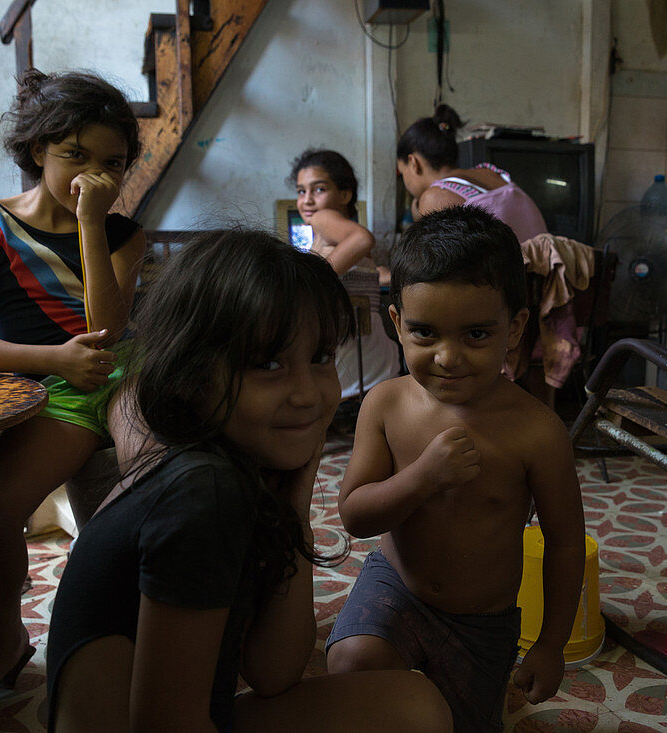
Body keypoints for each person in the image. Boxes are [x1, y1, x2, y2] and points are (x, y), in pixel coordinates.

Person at [46, 230, 453, 733]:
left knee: (417, 703)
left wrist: (295, 508)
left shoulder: (232, 468)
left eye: (321, 357)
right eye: (269, 364)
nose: (307, 393)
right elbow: (167, 723)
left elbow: (273, 672)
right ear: (194, 375)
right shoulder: (202, 490)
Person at [0, 68, 146, 728]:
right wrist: (51, 358)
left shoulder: (121, 232)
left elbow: (108, 330)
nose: (94, 174)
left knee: (152, 492)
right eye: (75, 155)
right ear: (37, 151)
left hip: (118, 371)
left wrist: (90, 220)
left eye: (112, 163)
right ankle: (5, 636)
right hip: (51, 384)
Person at [326, 206, 587, 732]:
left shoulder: (537, 431)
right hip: (395, 588)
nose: (448, 357)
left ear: (514, 328)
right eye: (425, 333)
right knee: (352, 669)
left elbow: (564, 542)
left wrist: (551, 644)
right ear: (396, 323)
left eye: (475, 335)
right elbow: (355, 517)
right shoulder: (385, 405)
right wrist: (422, 477)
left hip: (482, 622)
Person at [291, 149, 400, 401]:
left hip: (354, 362)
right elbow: (374, 274)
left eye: (318, 189)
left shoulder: (322, 218)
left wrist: (309, 281)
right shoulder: (329, 241)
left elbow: (362, 239)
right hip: (374, 359)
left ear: (345, 194)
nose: (307, 200)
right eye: (300, 191)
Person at [396, 105, 547, 243]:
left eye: (402, 173)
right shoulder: (490, 173)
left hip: (510, 273)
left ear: (413, 163)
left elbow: (434, 270)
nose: (405, 182)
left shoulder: (435, 197)